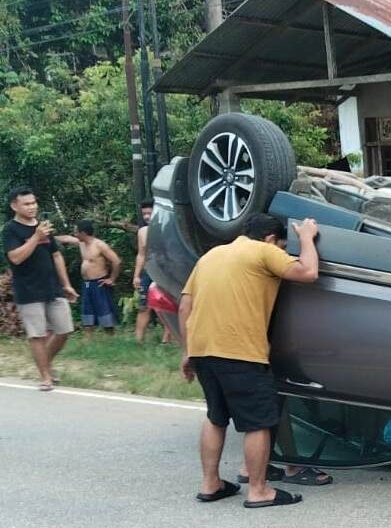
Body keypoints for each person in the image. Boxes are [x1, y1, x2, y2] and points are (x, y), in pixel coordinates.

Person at [179, 213, 332, 507]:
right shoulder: (264, 251)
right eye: (282, 245)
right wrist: (305, 238)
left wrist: (187, 351)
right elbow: (308, 273)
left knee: (216, 416)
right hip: (239, 351)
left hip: (203, 350)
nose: (282, 252)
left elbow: (185, 305)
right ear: (271, 238)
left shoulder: (212, 255)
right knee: (258, 422)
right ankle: (259, 490)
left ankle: (211, 484)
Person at [3, 187, 79, 392]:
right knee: (37, 335)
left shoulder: (43, 227)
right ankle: (45, 376)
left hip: (53, 286)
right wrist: (36, 237)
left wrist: (66, 284)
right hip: (28, 290)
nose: (32, 207)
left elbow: (56, 255)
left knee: (64, 330)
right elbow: (15, 258)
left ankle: (45, 362)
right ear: (14, 206)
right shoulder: (10, 230)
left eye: (34, 202)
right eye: (26, 204)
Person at [56, 220, 121, 340]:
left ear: (83, 233)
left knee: (104, 312)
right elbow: (66, 238)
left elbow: (116, 261)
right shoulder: (81, 243)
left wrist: (111, 279)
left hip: (99, 283)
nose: (75, 234)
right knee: (87, 312)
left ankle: (110, 339)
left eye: (76, 232)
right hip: (87, 284)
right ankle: (88, 340)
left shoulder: (99, 245)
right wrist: (49, 236)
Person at [132, 201, 172, 344]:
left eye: (150, 213)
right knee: (143, 306)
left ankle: (166, 339)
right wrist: (136, 275)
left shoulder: (167, 228)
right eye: (144, 214)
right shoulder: (142, 232)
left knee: (164, 306)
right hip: (147, 272)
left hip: (164, 272)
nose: (147, 217)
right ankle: (138, 341)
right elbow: (141, 254)